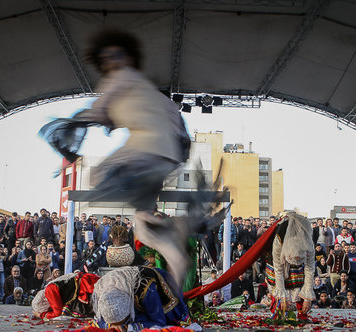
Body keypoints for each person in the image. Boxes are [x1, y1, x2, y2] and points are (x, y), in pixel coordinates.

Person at [40, 29, 223, 296]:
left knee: (96, 177)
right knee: (142, 223)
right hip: (166, 158)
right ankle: (174, 250)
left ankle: (167, 222)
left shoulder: (120, 79)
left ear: (126, 58)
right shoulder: (152, 92)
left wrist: (67, 148)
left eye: (116, 56)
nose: (112, 63)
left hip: (143, 153)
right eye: (108, 58)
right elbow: (179, 127)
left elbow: (95, 112)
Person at [265, 211, 315, 317]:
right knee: (280, 305)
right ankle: (278, 311)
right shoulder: (279, 240)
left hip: (298, 269)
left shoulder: (308, 243)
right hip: (278, 263)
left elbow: (310, 268)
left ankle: (302, 312)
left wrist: (307, 297)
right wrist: (282, 297)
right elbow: (278, 269)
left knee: (300, 279)